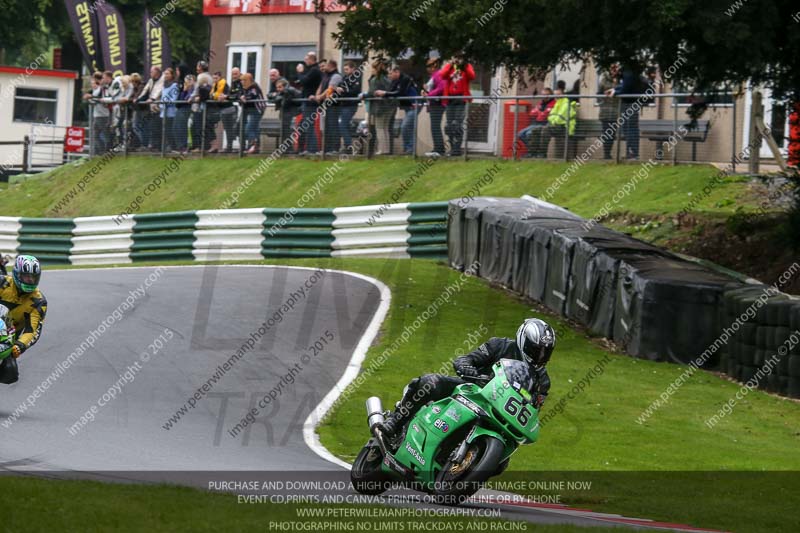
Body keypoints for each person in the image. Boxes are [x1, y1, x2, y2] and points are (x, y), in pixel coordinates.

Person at [378, 318, 555, 440]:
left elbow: (533, 409)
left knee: (502, 463)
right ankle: (396, 420)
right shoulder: (499, 346)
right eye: (536, 350)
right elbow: (464, 360)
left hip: (500, 414)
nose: (540, 356)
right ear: (523, 341)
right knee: (430, 383)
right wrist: (475, 375)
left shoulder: (543, 381)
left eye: (545, 352)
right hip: (472, 391)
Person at [0, 255, 47, 386]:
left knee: (11, 373)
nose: (30, 280)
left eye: (33, 277)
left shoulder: (38, 301)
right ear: (16, 273)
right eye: (26, 276)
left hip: (7, 339)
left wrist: (20, 346)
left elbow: (32, 330)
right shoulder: (2, 283)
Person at [605, 64, 645, 160]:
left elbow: (626, 89)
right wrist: (614, 89)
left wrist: (615, 93)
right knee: (627, 129)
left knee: (631, 129)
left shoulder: (628, 74)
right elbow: (623, 86)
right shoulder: (625, 75)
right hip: (628, 105)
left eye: (614, 69)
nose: (612, 73)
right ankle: (630, 153)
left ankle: (633, 153)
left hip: (630, 105)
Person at [377, 65, 418, 154]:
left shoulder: (405, 79)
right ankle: (409, 149)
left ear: (397, 72)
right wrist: (384, 93)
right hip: (407, 107)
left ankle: (409, 148)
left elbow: (400, 92)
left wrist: (385, 93)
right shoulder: (395, 80)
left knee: (405, 126)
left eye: (391, 73)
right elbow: (391, 90)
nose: (389, 75)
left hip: (414, 105)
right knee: (408, 127)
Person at [441, 56, 475, 157]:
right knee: (449, 125)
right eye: (456, 57)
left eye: (459, 57)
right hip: (450, 99)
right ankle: (452, 147)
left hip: (461, 98)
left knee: (457, 124)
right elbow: (442, 75)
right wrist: (450, 64)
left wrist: (464, 66)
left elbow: (472, 76)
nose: (457, 59)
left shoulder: (466, 67)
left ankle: (457, 149)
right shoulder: (450, 67)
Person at [363, 60, 393, 155]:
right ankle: (386, 149)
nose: (372, 71)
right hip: (390, 106)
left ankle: (381, 150)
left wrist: (363, 96)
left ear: (376, 69)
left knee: (379, 128)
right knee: (385, 128)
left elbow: (371, 93)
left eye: (373, 68)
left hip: (379, 107)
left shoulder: (375, 79)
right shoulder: (388, 78)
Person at [516, 87, 556, 157]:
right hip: (536, 123)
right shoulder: (541, 103)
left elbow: (545, 115)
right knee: (520, 134)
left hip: (545, 123)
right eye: (543, 95)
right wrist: (540, 112)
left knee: (529, 134)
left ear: (551, 95)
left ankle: (532, 152)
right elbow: (532, 113)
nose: (544, 97)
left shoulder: (554, 103)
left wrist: (539, 112)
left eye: (547, 95)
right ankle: (533, 150)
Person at [541, 86, 579, 158]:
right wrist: (553, 121)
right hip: (557, 126)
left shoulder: (566, 104)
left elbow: (560, 118)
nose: (556, 97)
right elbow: (550, 116)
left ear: (563, 95)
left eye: (558, 95)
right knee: (536, 130)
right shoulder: (558, 103)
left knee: (545, 130)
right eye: (555, 95)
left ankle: (543, 154)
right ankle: (535, 153)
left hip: (565, 127)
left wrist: (553, 121)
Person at [297, 51, 322, 154]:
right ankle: (303, 148)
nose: (305, 61)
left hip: (310, 103)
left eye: (306, 59)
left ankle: (312, 149)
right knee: (303, 125)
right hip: (306, 102)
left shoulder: (315, 70)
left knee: (308, 125)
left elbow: (304, 81)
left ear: (312, 59)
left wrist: (300, 72)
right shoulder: (311, 70)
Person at [336, 61, 363, 154]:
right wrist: (339, 89)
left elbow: (355, 90)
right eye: (344, 70)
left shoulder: (356, 78)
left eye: (347, 69)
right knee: (344, 125)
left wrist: (343, 90)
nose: (345, 71)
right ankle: (347, 145)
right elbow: (340, 85)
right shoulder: (345, 77)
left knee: (342, 124)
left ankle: (348, 146)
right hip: (344, 104)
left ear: (353, 69)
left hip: (351, 105)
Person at [422, 57, 446, 157]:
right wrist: (425, 91)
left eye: (429, 66)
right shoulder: (433, 76)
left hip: (438, 104)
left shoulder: (439, 74)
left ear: (434, 66)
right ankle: (437, 148)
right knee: (434, 126)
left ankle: (439, 149)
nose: (427, 68)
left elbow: (442, 87)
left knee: (435, 126)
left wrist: (429, 94)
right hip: (434, 103)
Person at [136, 66, 165, 151]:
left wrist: (152, 99)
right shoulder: (151, 80)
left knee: (158, 128)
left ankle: (159, 146)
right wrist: (138, 99)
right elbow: (145, 90)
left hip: (159, 108)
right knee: (153, 127)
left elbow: (159, 91)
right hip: (152, 109)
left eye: (152, 72)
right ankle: (154, 145)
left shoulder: (162, 80)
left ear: (157, 72)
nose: (150, 73)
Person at [318, 59, 343, 153]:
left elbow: (330, 88)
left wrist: (320, 96)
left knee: (333, 126)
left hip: (333, 105)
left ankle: (335, 148)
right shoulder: (326, 75)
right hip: (325, 105)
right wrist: (318, 96)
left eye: (326, 65)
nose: (324, 67)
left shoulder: (336, 76)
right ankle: (326, 148)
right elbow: (321, 87)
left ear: (332, 66)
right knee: (326, 127)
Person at [240, 72, 266, 154]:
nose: (242, 82)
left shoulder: (254, 86)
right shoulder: (244, 88)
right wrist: (241, 97)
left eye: (244, 80)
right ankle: (255, 147)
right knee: (255, 129)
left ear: (248, 80)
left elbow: (252, 95)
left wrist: (245, 97)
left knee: (249, 128)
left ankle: (253, 145)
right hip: (250, 110)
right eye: (241, 80)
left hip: (257, 109)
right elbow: (239, 95)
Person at [598, 64, 620, 160]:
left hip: (616, 111)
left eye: (616, 68)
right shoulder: (604, 79)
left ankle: (608, 154)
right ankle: (606, 154)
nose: (614, 70)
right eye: (612, 68)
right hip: (606, 111)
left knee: (612, 134)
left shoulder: (620, 79)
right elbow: (600, 92)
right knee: (606, 133)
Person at [272, 78, 301, 149]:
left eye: (280, 87)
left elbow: (286, 103)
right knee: (285, 131)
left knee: (288, 131)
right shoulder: (283, 92)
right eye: (277, 87)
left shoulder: (289, 91)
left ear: (285, 86)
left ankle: (289, 149)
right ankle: (286, 148)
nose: (278, 89)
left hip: (291, 114)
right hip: (286, 113)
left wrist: (278, 98)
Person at [223, 67, 243, 153]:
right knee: (230, 128)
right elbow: (231, 94)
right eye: (233, 74)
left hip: (242, 108)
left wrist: (227, 97)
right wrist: (226, 96)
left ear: (239, 73)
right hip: (234, 108)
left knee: (238, 127)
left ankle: (242, 147)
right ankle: (229, 146)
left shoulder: (242, 82)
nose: (234, 76)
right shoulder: (233, 82)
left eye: (236, 74)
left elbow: (238, 95)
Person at [208, 71, 229, 153]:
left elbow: (226, 95)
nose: (214, 80)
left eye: (216, 78)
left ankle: (228, 146)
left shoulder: (224, 85)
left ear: (220, 77)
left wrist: (220, 96)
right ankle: (214, 145)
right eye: (213, 78)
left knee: (228, 128)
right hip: (217, 109)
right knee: (209, 124)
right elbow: (211, 95)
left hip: (225, 109)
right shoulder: (214, 85)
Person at [159, 68, 179, 152]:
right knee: (164, 130)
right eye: (165, 74)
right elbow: (162, 97)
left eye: (167, 74)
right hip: (163, 112)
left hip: (171, 112)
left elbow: (174, 98)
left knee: (170, 130)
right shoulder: (163, 86)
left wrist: (166, 103)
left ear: (172, 75)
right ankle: (167, 146)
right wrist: (161, 104)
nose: (166, 75)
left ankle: (173, 146)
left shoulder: (174, 85)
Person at [175, 75, 195, 153]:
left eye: (189, 81)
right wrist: (184, 91)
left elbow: (188, 100)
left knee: (184, 128)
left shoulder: (193, 89)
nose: (187, 83)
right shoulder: (185, 90)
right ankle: (180, 147)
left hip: (188, 110)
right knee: (177, 127)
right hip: (181, 110)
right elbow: (178, 103)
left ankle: (185, 147)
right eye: (185, 81)